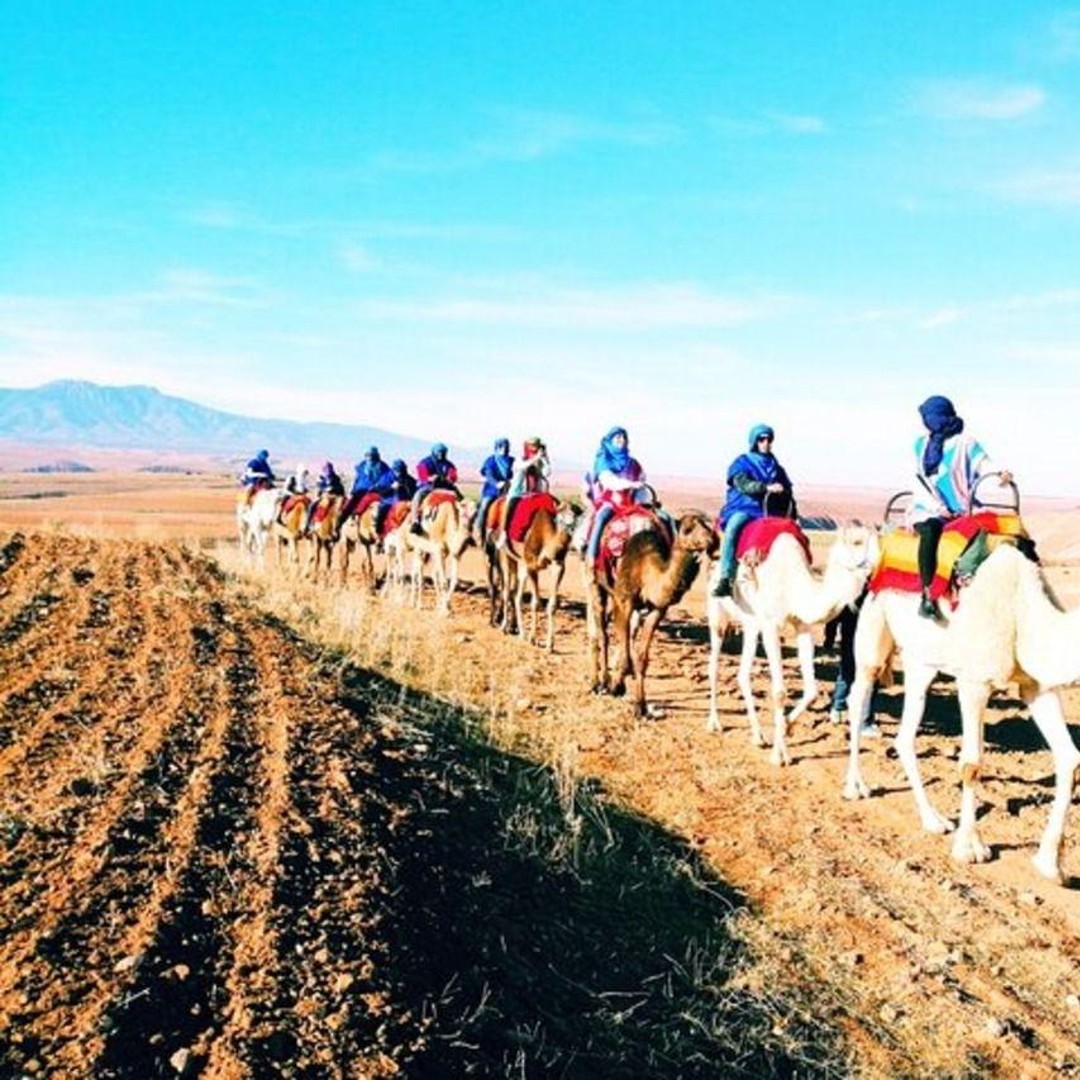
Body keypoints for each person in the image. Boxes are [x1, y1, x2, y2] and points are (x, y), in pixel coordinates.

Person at [910, 395, 1012, 620]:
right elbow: (918, 479)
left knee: (994, 532)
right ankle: (928, 596)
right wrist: (937, 507)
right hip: (927, 507)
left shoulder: (965, 443)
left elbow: (985, 465)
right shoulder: (921, 444)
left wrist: (1001, 474)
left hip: (962, 508)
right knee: (930, 530)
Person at [712, 423, 796, 597]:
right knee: (733, 529)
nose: (766, 443)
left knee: (793, 535)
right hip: (745, 508)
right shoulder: (742, 463)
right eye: (761, 439)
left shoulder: (777, 468)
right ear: (754, 441)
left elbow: (788, 491)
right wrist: (766, 487)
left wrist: (793, 512)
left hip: (770, 511)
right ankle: (726, 578)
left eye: (768, 439)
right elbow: (743, 485)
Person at [584, 426, 648, 564]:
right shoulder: (603, 460)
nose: (622, 440)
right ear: (610, 441)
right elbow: (609, 481)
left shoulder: (633, 462)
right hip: (611, 500)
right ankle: (591, 555)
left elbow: (642, 477)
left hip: (631, 502)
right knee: (601, 517)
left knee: (656, 519)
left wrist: (640, 485)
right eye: (618, 437)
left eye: (624, 437)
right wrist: (631, 484)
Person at [495, 437, 551, 547]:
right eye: (532, 446)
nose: (535, 448)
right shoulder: (520, 460)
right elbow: (523, 467)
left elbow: (547, 472)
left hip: (536, 493)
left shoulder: (539, 461)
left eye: (537, 446)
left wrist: (545, 458)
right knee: (510, 506)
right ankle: (504, 533)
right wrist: (536, 458)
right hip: (519, 493)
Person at [409, 443, 461, 533]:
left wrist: (450, 478)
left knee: (460, 497)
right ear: (434, 452)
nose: (441, 454)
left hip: (445, 487)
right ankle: (415, 521)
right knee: (417, 496)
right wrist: (430, 478)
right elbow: (421, 476)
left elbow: (453, 476)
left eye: (443, 453)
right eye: (440, 452)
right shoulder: (425, 462)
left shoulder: (449, 464)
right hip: (428, 487)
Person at [477, 438, 515, 540]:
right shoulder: (491, 460)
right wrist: (496, 483)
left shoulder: (512, 461)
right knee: (485, 505)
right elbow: (488, 474)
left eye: (507, 447)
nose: (505, 449)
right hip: (492, 490)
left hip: (509, 490)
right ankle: (478, 529)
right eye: (502, 447)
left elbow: (516, 473)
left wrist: (512, 481)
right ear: (497, 448)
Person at [343, 446, 395, 519]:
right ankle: (342, 523)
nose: (369, 458)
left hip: (377, 491)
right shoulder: (361, 466)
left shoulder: (383, 467)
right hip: (361, 490)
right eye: (367, 455)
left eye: (371, 455)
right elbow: (357, 479)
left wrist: (379, 487)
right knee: (350, 504)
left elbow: (387, 479)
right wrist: (352, 490)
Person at [304, 460, 346, 533]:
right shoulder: (321, 477)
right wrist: (325, 489)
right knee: (312, 506)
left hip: (336, 496)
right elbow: (319, 486)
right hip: (325, 495)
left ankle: (346, 524)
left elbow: (340, 487)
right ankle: (309, 525)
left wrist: (335, 488)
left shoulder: (335, 477)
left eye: (328, 468)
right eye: (326, 468)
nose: (328, 470)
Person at [376, 458, 417, 534]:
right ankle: (379, 532)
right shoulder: (386, 477)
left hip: (406, 501)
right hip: (389, 501)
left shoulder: (409, 479)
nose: (399, 473)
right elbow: (380, 491)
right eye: (397, 470)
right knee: (381, 513)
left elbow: (415, 489)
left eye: (401, 470)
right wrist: (391, 488)